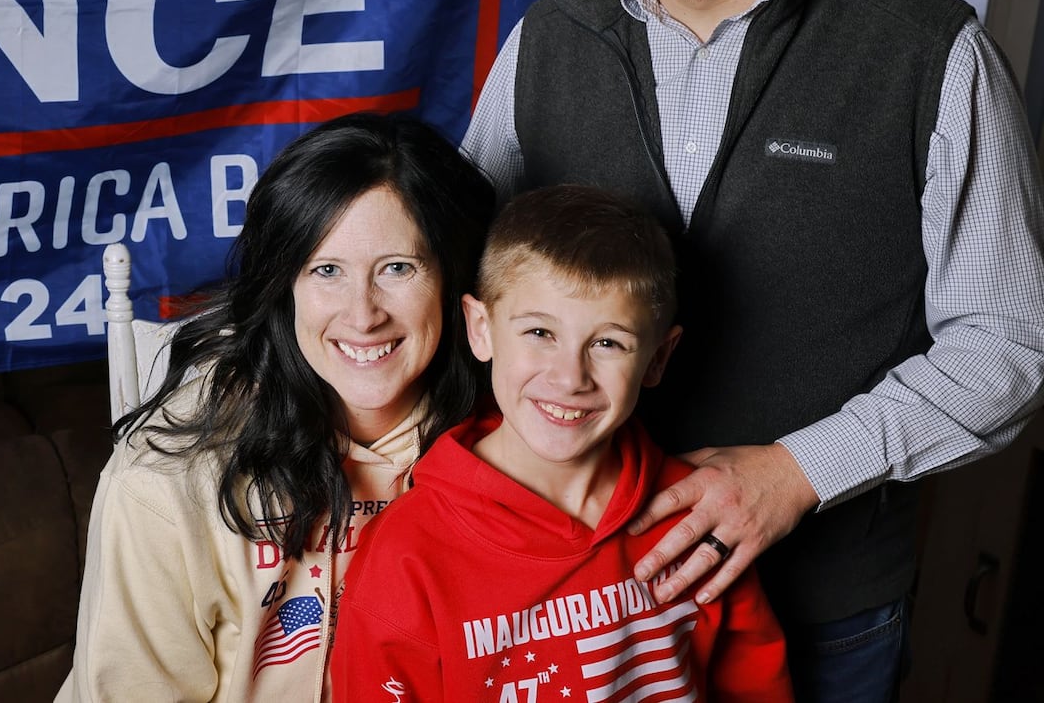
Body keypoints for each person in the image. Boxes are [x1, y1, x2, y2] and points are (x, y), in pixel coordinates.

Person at [461, 0, 1044, 702]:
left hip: (825, 611)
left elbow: (1009, 338)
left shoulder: (925, 51)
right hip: (573, 612)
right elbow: (460, 294)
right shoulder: (545, 46)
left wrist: (793, 472)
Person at [56, 112, 495, 702]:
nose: (363, 314)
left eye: (398, 268)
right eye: (326, 270)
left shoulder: (509, 443)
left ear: (451, 280)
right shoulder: (166, 481)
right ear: (284, 287)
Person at [331, 184, 793, 702]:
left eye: (608, 343)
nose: (571, 377)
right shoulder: (408, 555)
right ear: (480, 328)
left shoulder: (700, 516)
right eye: (539, 334)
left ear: (659, 358)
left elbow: (754, 684)